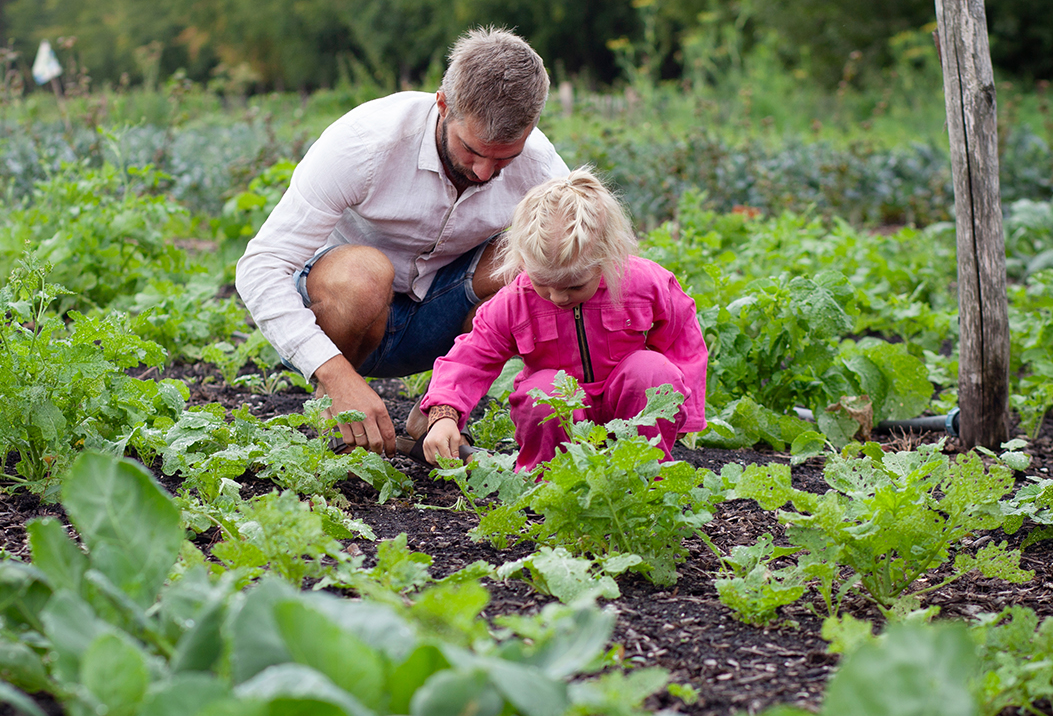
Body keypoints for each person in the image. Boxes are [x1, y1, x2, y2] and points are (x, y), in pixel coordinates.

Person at [236, 28, 569, 454]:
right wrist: (334, 373)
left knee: (538, 259)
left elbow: (596, 262)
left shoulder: (541, 165)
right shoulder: (365, 142)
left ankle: (439, 410)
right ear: (443, 104)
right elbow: (261, 265)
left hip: (445, 318)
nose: (485, 172)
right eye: (471, 150)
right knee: (363, 275)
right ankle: (333, 410)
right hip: (345, 316)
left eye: (504, 158)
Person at [414, 168, 710, 470]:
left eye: (574, 286)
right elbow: (469, 359)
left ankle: (646, 473)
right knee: (540, 391)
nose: (557, 297)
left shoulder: (644, 284)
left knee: (652, 372)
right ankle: (550, 483)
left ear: (607, 258)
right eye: (543, 283)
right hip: (560, 419)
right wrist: (444, 415)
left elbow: (682, 337)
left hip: (628, 408)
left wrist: (686, 409)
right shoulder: (515, 301)